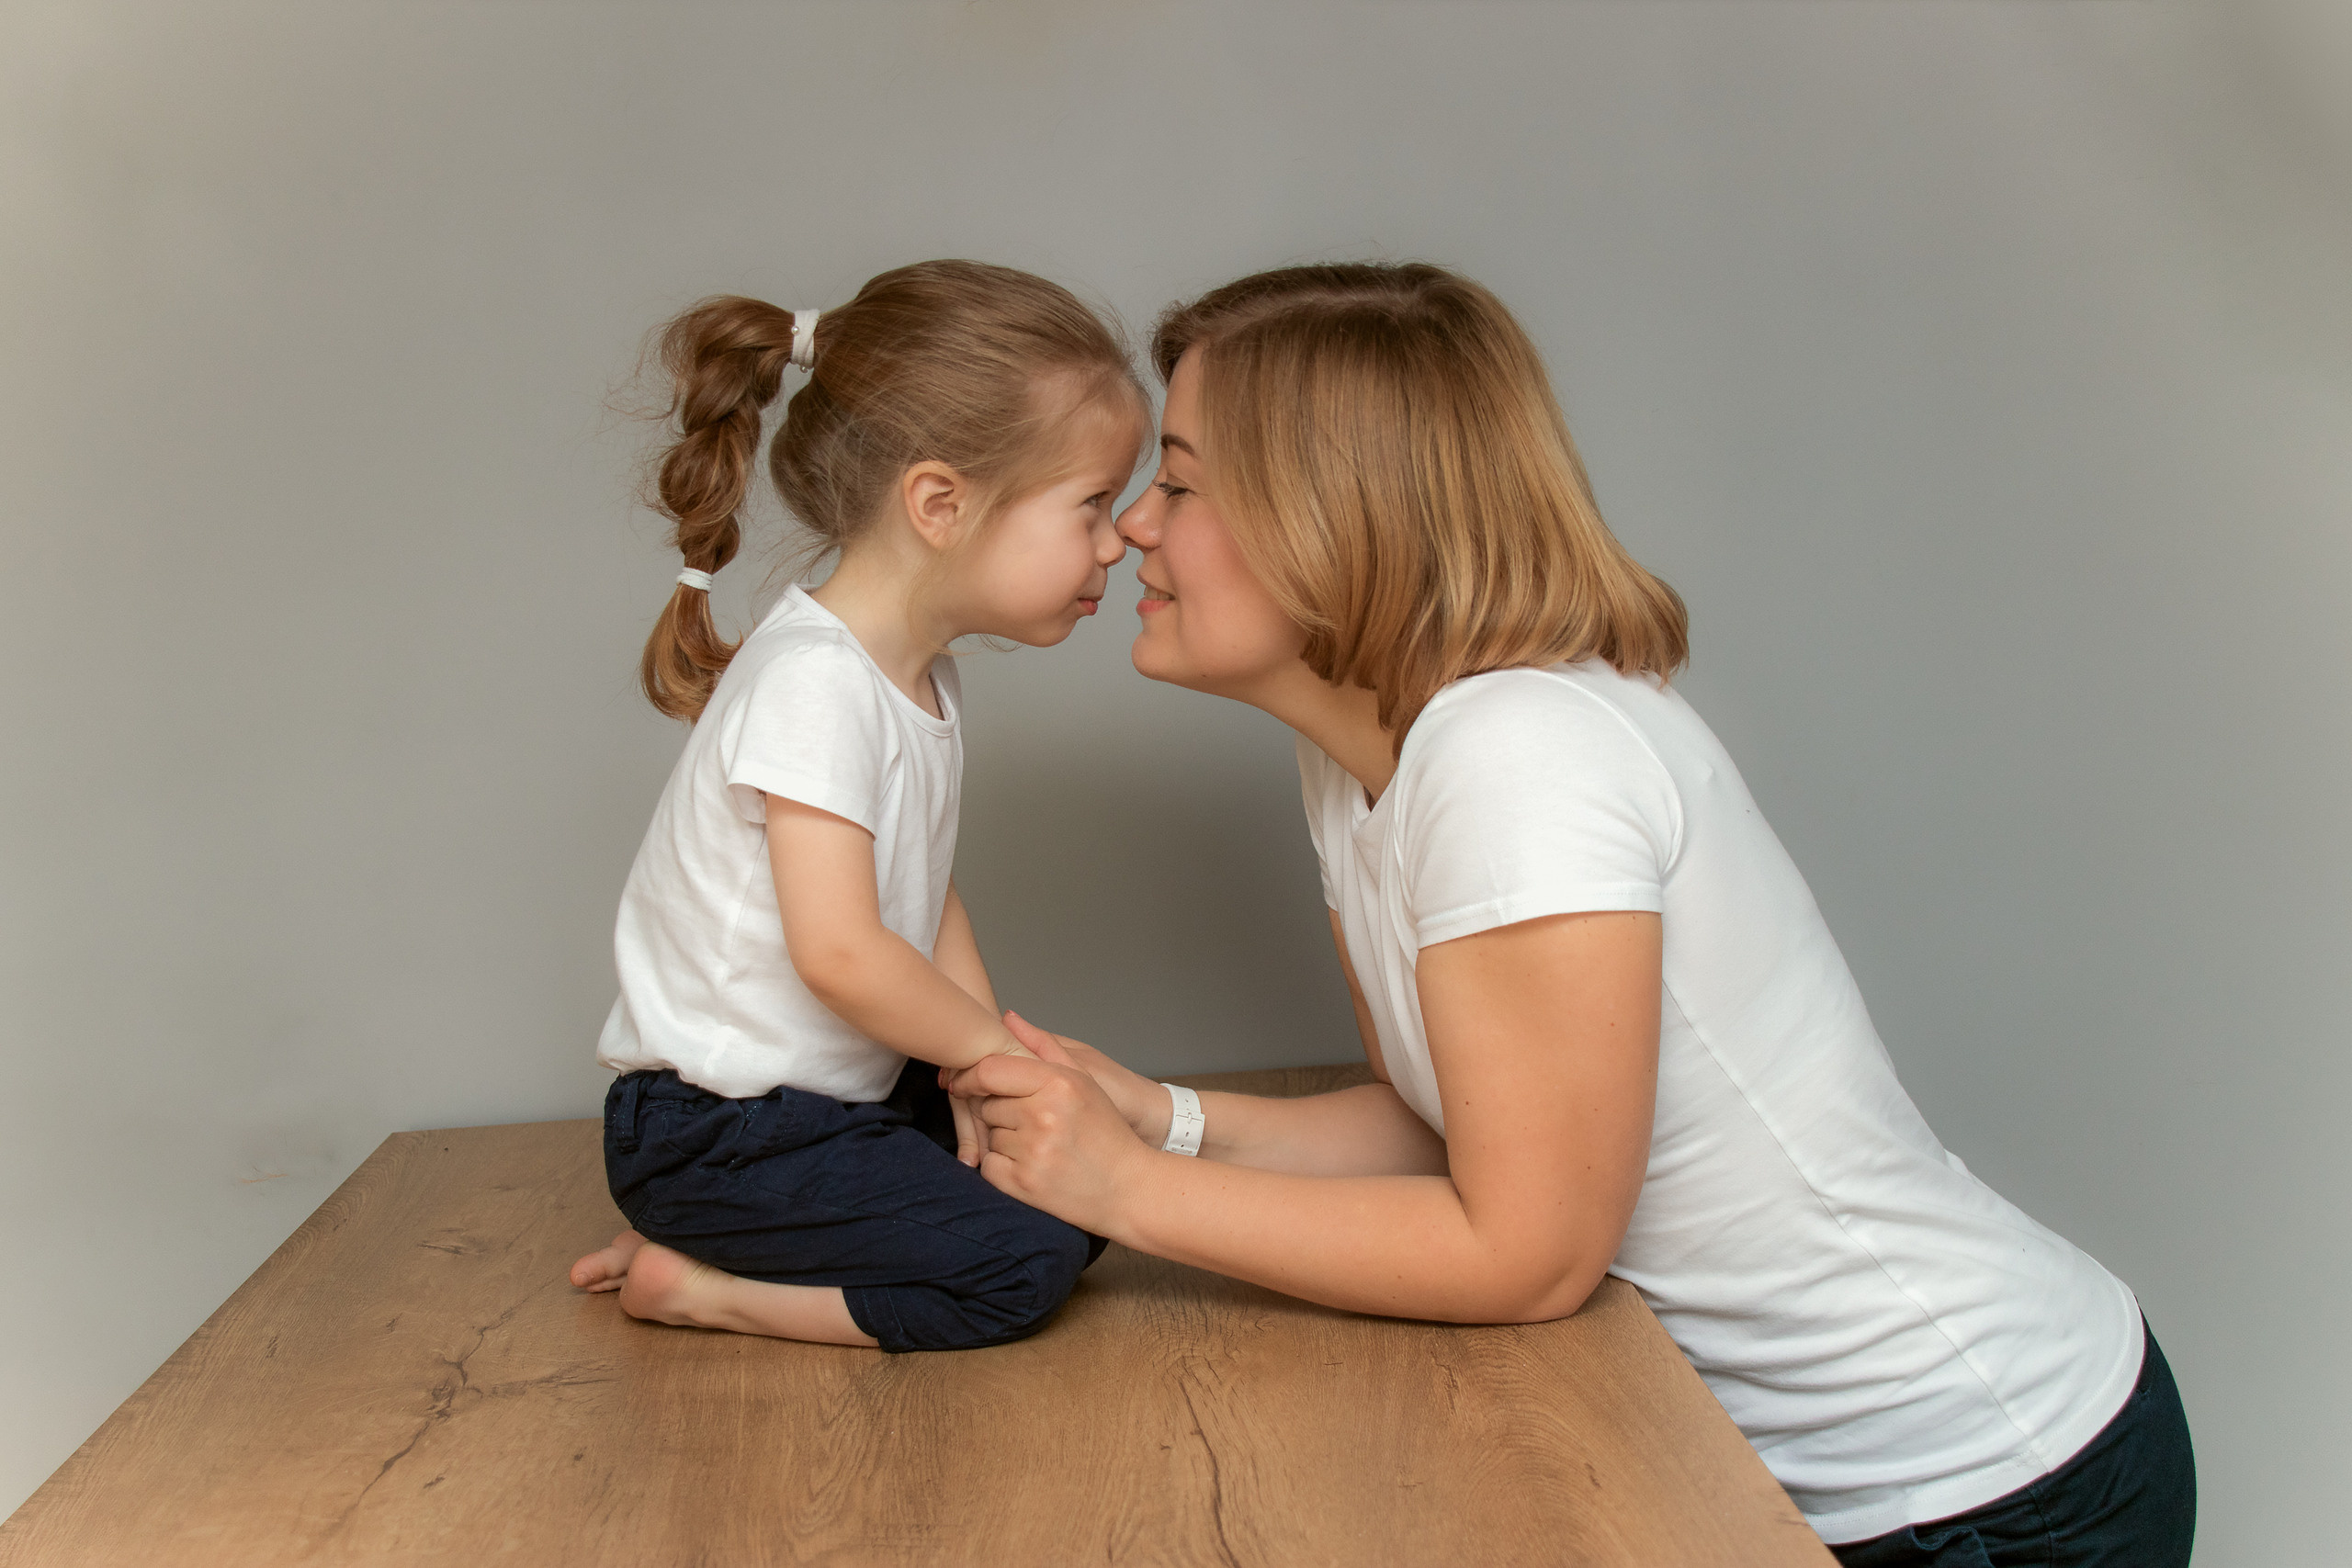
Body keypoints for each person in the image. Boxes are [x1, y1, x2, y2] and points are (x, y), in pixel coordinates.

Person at [945, 263, 2197, 1563]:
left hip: (1991, 1485)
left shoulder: (1519, 758)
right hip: (1763, 1466)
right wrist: (1168, 1116)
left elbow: (1525, 1254)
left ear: (1334, 513)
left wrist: (1128, 1185)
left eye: (1184, 484)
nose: (1137, 523)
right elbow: (1452, 1129)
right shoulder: (1362, 752)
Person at [567, 260, 1148, 1351]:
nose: (1115, 542)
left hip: (832, 1107)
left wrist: (985, 1069)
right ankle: (697, 1285)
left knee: (1084, 1191)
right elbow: (839, 951)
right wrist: (985, 1057)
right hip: (718, 1134)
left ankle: (744, 1246)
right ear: (939, 503)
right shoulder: (814, 683)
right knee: (1023, 1265)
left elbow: (925, 893)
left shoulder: (912, 674)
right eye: (1090, 506)